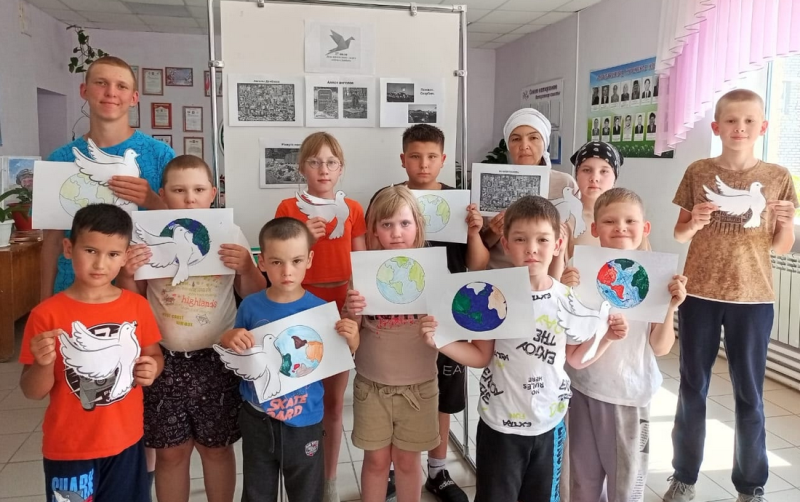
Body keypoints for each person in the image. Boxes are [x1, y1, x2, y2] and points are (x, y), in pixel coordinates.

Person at [422, 195, 628, 502]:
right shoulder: (494, 296)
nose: (531, 248)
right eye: (520, 239)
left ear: (558, 244)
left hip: (548, 426)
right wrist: (441, 341)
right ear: (506, 244)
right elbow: (480, 356)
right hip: (499, 426)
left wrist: (606, 338)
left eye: (542, 239)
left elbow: (575, 359)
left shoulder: (569, 300)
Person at [663, 89, 798, 502]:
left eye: (749, 121)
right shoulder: (699, 171)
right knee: (692, 387)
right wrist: (695, 222)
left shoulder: (779, 176)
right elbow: (680, 233)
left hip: (753, 299)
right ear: (717, 126)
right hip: (699, 294)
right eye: (732, 121)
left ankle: (751, 484)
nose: (740, 128)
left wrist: (787, 222)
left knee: (749, 394)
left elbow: (781, 247)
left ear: (763, 127)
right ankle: (684, 476)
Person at [117, 155, 266, 502]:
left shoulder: (230, 232)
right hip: (164, 360)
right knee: (170, 453)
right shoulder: (148, 238)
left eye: (198, 190)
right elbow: (133, 301)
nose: (189, 198)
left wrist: (247, 267)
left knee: (217, 449)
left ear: (213, 193)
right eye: (179, 190)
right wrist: (126, 273)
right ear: (162, 194)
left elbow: (254, 294)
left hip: (219, 360)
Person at [367, 124, 487, 502]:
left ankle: (437, 470)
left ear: (443, 159)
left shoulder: (457, 202)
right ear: (403, 159)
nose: (423, 164)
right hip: (396, 316)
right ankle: (393, 469)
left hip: (446, 313)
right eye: (415, 156)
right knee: (396, 390)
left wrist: (475, 231)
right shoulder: (387, 199)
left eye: (432, 157)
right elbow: (370, 253)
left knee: (442, 394)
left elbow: (477, 265)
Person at [19, 203, 164, 502]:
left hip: (127, 442)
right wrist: (44, 364)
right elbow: (32, 391)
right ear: (68, 249)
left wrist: (152, 369)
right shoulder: (46, 314)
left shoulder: (137, 306)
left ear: (125, 257)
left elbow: (155, 356)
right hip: (70, 448)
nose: (100, 264)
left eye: (112, 254)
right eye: (90, 251)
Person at [219, 217, 360, 502]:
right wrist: (230, 337)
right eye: (277, 262)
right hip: (258, 417)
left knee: (306, 491)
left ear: (309, 260)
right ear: (262, 262)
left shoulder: (321, 310)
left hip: (305, 418)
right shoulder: (251, 305)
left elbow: (346, 354)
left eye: (296, 261)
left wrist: (353, 336)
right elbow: (233, 347)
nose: (287, 271)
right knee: (257, 491)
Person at [561, 188, 687, 501]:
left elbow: (661, 348)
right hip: (581, 387)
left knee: (626, 485)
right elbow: (567, 330)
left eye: (630, 221)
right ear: (594, 228)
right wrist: (563, 291)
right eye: (609, 221)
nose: (620, 227)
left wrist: (671, 307)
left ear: (645, 227)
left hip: (629, 394)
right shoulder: (579, 270)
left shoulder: (657, 278)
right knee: (582, 481)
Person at [274, 131, 366, 501]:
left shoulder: (353, 209)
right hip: (299, 305)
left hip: (340, 306)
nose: (323, 169)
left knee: (333, 402)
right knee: (295, 397)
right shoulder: (288, 208)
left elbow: (361, 263)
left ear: (341, 168)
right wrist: (304, 238)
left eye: (330, 162)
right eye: (314, 162)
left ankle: (328, 482)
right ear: (302, 168)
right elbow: (278, 260)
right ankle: (298, 478)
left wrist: (355, 311)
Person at [41, 56, 175, 303]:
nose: (111, 92)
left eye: (121, 86)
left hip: (143, 290)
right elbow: (52, 240)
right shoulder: (59, 159)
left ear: (134, 98)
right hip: (74, 291)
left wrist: (151, 200)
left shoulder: (160, 155)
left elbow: (181, 224)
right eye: (101, 83)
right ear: (84, 90)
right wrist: (44, 302)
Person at [343, 186, 441, 502]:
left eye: (404, 223)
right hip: (372, 386)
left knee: (408, 463)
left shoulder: (433, 274)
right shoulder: (363, 274)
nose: (396, 233)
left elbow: (448, 330)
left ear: (417, 226)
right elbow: (352, 335)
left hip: (419, 387)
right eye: (387, 225)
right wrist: (352, 312)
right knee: (375, 462)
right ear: (374, 230)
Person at [481, 108, 578, 279]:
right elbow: (479, 244)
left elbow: (571, 242)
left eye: (533, 138)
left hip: (548, 279)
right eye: (516, 139)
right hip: (500, 276)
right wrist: (494, 232)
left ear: (544, 142)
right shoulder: (492, 182)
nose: (524, 146)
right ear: (508, 145)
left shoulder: (565, 184)